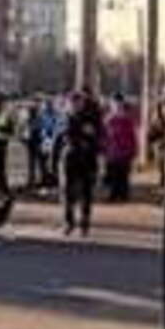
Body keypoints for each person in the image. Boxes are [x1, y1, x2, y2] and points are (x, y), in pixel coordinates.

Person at [60, 90, 104, 235]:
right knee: (67, 192)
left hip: (86, 159)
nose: (74, 105)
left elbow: (98, 138)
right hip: (70, 158)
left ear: (82, 103)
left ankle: (85, 222)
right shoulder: (66, 118)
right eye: (72, 103)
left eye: (77, 102)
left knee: (86, 192)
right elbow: (60, 139)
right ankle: (68, 222)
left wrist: (96, 153)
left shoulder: (91, 118)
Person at [103, 94, 139, 202]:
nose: (117, 107)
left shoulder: (127, 120)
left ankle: (123, 194)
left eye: (119, 104)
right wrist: (104, 148)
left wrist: (134, 149)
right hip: (112, 151)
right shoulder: (108, 119)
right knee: (113, 174)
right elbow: (104, 135)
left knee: (124, 174)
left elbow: (132, 136)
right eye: (114, 104)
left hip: (125, 151)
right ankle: (113, 194)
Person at [22, 98, 53, 194]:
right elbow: (25, 130)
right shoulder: (29, 116)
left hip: (41, 142)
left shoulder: (43, 116)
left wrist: (47, 141)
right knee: (33, 164)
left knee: (42, 164)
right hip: (32, 142)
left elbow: (47, 128)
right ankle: (32, 182)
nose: (36, 105)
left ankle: (43, 183)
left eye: (38, 103)